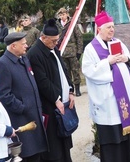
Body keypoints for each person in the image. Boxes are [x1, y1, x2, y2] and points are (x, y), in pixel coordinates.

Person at [82, 11, 130, 162]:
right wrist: (107, 62)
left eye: (112, 27)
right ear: (99, 29)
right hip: (108, 102)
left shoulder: (117, 42)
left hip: (125, 100)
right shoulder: (91, 48)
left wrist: (126, 58)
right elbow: (88, 71)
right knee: (114, 141)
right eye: (108, 27)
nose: (112, 30)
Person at [0, 32, 48, 161]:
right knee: (27, 154)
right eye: (23, 44)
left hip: (33, 115)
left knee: (37, 154)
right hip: (21, 119)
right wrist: (22, 107)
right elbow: (3, 93)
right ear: (13, 46)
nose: (27, 46)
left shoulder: (23, 58)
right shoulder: (3, 64)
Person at [27, 18, 75, 162]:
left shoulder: (53, 48)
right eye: (53, 40)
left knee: (65, 142)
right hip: (50, 105)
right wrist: (56, 99)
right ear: (43, 38)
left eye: (57, 40)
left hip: (63, 100)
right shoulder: (35, 53)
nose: (56, 43)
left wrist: (71, 90)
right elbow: (42, 81)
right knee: (54, 147)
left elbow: (64, 70)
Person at [56, 7, 84, 96]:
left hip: (73, 51)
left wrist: (79, 51)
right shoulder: (57, 25)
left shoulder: (72, 23)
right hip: (63, 52)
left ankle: (77, 88)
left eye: (63, 14)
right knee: (66, 72)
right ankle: (69, 89)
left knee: (75, 70)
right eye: (60, 15)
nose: (62, 17)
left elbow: (79, 37)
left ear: (67, 14)